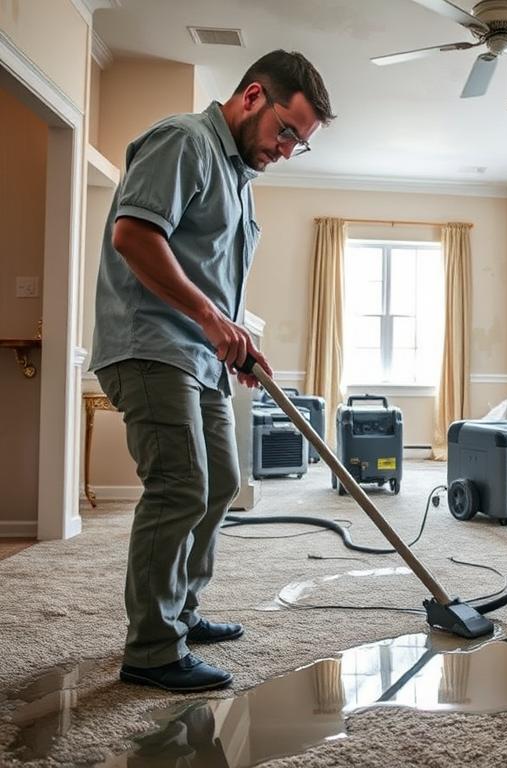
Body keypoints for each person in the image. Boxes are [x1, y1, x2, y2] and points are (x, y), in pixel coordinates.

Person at [89, 50, 335, 693]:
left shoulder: (239, 179)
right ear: (253, 96)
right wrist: (209, 320)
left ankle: (181, 611)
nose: (286, 150)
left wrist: (237, 342)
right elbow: (135, 236)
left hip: (199, 356)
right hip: (149, 346)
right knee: (181, 485)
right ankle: (151, 648)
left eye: (299, 145)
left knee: (221, 481)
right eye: (287, 131)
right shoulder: (185, 141)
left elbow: (210, 280)